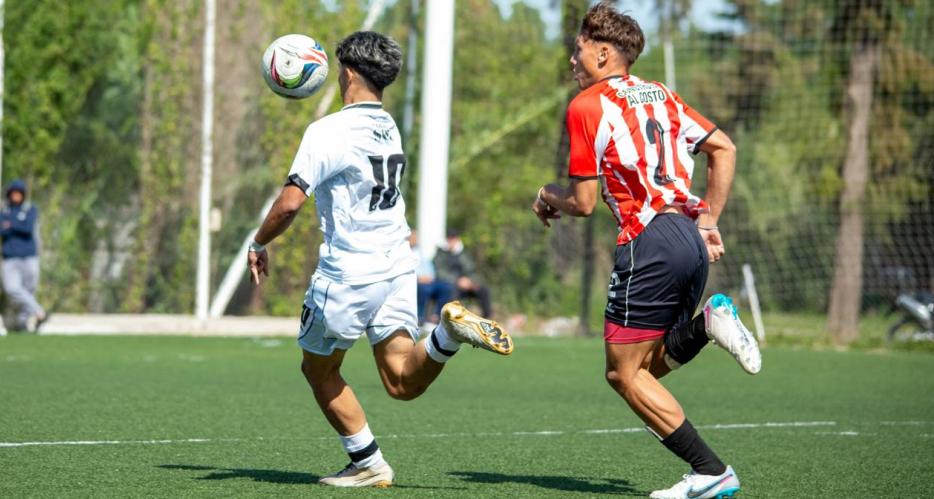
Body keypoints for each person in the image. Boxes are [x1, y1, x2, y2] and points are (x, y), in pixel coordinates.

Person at [246, 31, 513, 488]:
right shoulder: (388, 127)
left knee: (317, 368)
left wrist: (259, 241)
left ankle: (368, 463)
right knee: (401, 381)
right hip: (396, 267)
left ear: (347, 72)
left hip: (350, 272)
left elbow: (290, 203)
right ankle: (447, 335)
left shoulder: (327, 130)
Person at [531, 5, 761, 499]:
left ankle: (710, 471)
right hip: (689, 241)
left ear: (603, 52)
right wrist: (709, 221)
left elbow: (585, 203)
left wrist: (547, 195)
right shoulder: (663, 94)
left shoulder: (587, 105)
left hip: (649, 241)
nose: (572, 60)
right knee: (647, 367)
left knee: (621, 373)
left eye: (577, 50)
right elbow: (724, 148)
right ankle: (708, 324)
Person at [0, 180, 49, 332]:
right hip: (10, 257)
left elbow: (27, 228)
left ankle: (22, 323)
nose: (16, 196)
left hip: (29, 257)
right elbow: (0, 230)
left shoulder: (30, 209)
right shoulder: (4, 211)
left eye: (18, 193)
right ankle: (40, 312)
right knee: (12, 288)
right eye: (13, 193)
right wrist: (16, 224)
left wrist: (11, 225)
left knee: (29, 289)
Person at [433, 229, 493, 318]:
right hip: (450, 284)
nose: (452, 241)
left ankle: (486, 319)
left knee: (484, 290)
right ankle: (453, 320)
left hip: (466, 284)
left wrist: (472, 282)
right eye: (450, 239)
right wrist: (457, 281)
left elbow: (471, 270)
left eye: (453, 239)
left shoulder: (463, 253)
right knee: (451, 291)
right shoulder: (440, 253)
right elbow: (440, 272)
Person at [409, 231, 453, 324]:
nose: (415, 239)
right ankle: (420, 318)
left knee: (445, 287)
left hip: (429, 280)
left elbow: (429, 266)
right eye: (412, 237)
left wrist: (430, 276)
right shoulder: (403, 252)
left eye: (416, 237)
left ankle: (437, 317)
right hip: (415, 281)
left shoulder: (419, 251)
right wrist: (418, 278)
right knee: (424, 290)